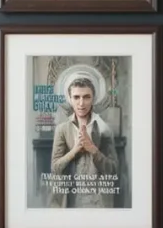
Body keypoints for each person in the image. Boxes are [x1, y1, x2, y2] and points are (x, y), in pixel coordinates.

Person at [49, 76, 120, 208]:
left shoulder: (104, 129)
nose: (81, 103)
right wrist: (75, 150)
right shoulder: (62, 129)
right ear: (70, 99)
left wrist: (93, 149)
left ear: (93, 98)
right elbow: (55, 168)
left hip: (99, 203)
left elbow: (113, 170)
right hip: (70, 202)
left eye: (86, 97)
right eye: (76, 97)